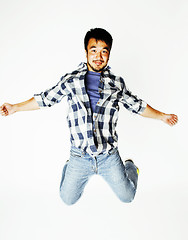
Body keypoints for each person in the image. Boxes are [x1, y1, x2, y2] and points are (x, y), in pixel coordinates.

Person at [0, 28, 178, 205]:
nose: (98, 56)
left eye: (104, 51)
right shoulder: (71, 80)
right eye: (94, 50)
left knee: (128, 197)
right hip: (80, 155)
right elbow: (46, 99)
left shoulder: (116, 83)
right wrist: (15, 107)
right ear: (86, 52)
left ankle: (131, 166)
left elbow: (137, 106)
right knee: (67, 199)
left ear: (108, 55)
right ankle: (68, 166)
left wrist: (162, 116)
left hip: (108, 155)